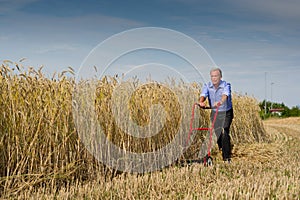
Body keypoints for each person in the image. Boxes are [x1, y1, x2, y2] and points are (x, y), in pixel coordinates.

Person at [199, 67, 234, 163]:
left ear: (220, 76)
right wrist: (201, 102)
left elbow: (225, 96)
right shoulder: (207, 86)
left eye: (216, 76)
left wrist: (220, 102)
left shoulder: (226, 85)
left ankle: (226, 158)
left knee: (224, 130)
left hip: (226, 112)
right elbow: (203, 95)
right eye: (212, 76)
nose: (214, 78)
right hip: (215, 112)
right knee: (217, 132)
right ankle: (221, 148)